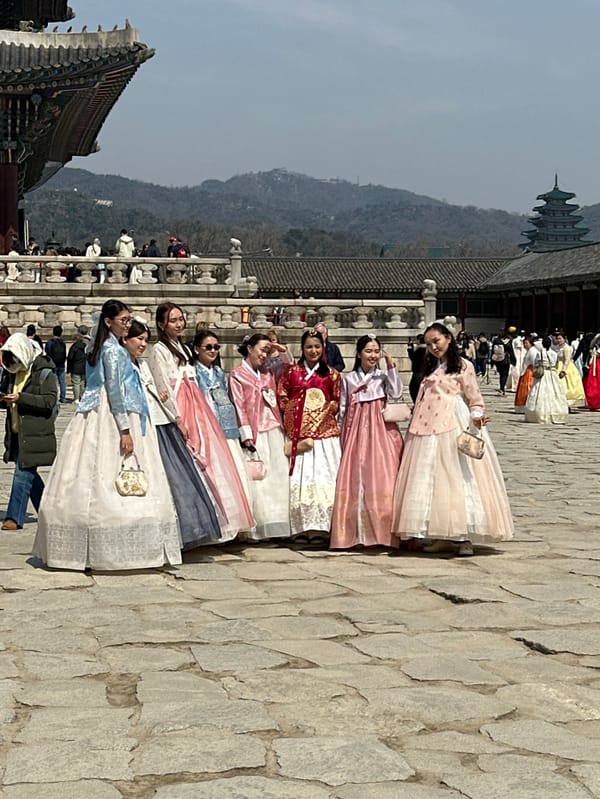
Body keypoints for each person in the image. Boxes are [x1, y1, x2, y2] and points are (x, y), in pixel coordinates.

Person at [33, 300, 182, 571]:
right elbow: (113, 390)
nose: (127, 324)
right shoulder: (112, 350)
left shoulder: (100, 346)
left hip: (105, 408)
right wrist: (124, 429)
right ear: (108, 321)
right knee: (107, 469)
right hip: (113, 413)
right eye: (123, 320)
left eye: (128, 320)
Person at [391, 322, 513, 556]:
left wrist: (476, 416)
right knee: (429, 477)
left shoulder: (463, 366)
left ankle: (461, 535)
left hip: (451, 423)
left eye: (436, 341)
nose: (433, 347)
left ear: (449, 338)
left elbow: (475, 399)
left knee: (456, 476)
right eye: (428, 344)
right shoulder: (429, 367)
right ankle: (439, 532)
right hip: (425, 426)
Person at [148, 302, 254, 543]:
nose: (178, 324)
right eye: (173, 320)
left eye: (180, 319)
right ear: (162, 324)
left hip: (197, 405)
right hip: (180, 405)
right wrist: (176, 416)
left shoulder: (182, 349)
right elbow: (162, 386)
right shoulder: (159, 350)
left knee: (210, 457)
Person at [125, 318, 221, 550]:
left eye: (145, 340)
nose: (142, 344)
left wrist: (174, 415)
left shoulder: (145, 364)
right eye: (139, 339)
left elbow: (160, 392)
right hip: (140, 423)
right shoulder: (135, 361)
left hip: (160, 419)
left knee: (174, 474)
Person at [329, 334, 404, 549]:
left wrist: (391, 369)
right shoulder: (349, 378)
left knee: (382, 474)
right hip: (356, 430)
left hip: (380, 429)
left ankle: (383, 531)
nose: (373, 355)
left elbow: (396, 393)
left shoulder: (382, 376)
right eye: (368, 351)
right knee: (355, 476)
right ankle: (354, 532)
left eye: (376, 351)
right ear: (359, 353)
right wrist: (342, 433)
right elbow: (342, 408)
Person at [277, 329, 342, 546]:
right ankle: (299, 527)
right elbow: (283, 395)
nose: (313, 351)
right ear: (302, 349)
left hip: (324, 434)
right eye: (308, 347)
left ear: (323, 348)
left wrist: (320, 414)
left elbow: (336, 401)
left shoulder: (332, 374)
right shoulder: (291, 372)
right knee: (300, 478)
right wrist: (294, 411)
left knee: (323, 477)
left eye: (317, 346)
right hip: (299, 431)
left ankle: (321, 527)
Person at [229, 333, 291, 541]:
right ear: (249, 348)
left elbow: (287, 367)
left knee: (278, 476)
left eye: (267, 351)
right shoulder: (237, 375)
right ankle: (259, 524)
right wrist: (245, 434)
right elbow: (239, 406)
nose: (265, 355)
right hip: (256, 432)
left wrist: (279, 349)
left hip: (274, 428)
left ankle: (278, 522)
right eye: (262, 350)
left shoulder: (268, 373)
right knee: (259, 478)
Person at [193, 329, 254, 529]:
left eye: (216, 347)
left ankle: (234, 524)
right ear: (196, 349)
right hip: (206, 426)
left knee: (233, 473)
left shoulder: (219, 372)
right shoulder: (193, 372)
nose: (213, 351)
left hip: (226, 426)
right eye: (208, 347)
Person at [0, 334, 58, 531]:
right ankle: (48, 510)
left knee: (22, 473)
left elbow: (49, 401)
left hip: (35, 434)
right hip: (17, 433)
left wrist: (21, 398)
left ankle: (14, 518)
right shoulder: (11, 373)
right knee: (29, 474)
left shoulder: (44, 372)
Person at [524, 336, 569, 424]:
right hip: (552, 374)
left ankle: (539, 413)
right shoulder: (554, 353)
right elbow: (556, 365)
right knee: (554, 392)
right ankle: (556, 413)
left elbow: (536, 363)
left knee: (539, 392)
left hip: (542, 374)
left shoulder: (540, 353)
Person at [555, 332, 585, 407]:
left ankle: (568, 403)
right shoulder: (558, 347)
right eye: (557, 339)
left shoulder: (566, 347)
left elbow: (567, 360)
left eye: (560, 338)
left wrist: (563, 370)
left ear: (564, 339)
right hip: (558, 365)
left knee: (567, 386)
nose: (558, 340)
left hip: (566, 367)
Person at [66, 325, 90, 403]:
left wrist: (68, 368)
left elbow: (70, 357)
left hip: (76, 366)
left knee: (76, 383)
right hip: (84, 366)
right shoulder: (88, 344)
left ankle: (76, 398)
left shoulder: (75, 346)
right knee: (82, 383)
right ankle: (82, 397)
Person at [45, 325, 67, 403]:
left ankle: (55, 397)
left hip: (52, 364)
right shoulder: (63, 343)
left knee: (53, 382)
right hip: (61, 364)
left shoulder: (50, 342)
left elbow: (47, 352)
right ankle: (63, 397)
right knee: (62, 381)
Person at [514, 335, 536, 412]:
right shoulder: (529, 351)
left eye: (526, 343)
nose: (524, 345)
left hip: (529, 372)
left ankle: (526, 406)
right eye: (524, 343)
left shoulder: (533, 351)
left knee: (527, 390)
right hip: (526, 371)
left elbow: (534, 363)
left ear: (531, 343)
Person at [490, 330, 515, 396]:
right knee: (504, 375)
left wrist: (492, 361)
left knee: (501, 374)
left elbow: (493, 351)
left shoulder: (496, 340)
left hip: (498, 360)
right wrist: (514, 360)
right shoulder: (508, 341)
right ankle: (502, 388)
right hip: (506, 360)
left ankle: (501, 387)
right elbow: (511, 351)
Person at [407, 335, 426, 404]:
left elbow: (412, 357)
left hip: (418, 374)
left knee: (414, 389)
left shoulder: (420, 350)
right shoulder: (428, 350)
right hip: (425, 373)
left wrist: (410, 347)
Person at [583, 333, 600, 410]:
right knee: (593, 383)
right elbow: (588, 358)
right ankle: (593, 402)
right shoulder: (593, 348)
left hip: (598, 365)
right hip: (594, 365)